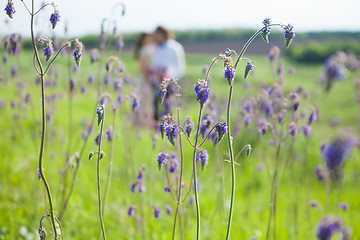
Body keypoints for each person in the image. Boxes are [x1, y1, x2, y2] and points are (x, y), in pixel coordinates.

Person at [151, 26, 186, 121]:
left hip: (171, 81)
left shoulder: (175, 47)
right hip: (158, 81)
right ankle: (157, 125)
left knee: (168, 105)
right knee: (156, 104)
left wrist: (170, 78)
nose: (155, 37)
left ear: (162, 34)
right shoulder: (157, 47)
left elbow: (180, 67)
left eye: (156, 35)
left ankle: (169, 123)